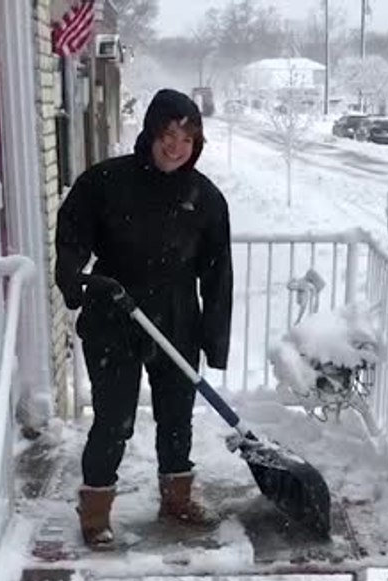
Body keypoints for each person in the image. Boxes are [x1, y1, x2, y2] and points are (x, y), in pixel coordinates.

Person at [55, 89, 233, 548]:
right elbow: (72, 232)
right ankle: (95, 508)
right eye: (169, 134)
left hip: (176, 316)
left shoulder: (205, 198)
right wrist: (73, 275)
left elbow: (217, 272)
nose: (176, 146)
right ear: (151, 132)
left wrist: (215, 338)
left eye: (188, 137)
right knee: (114, 417)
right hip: (115, 311)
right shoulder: (106, 182)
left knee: (176, 414)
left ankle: (177, 498)